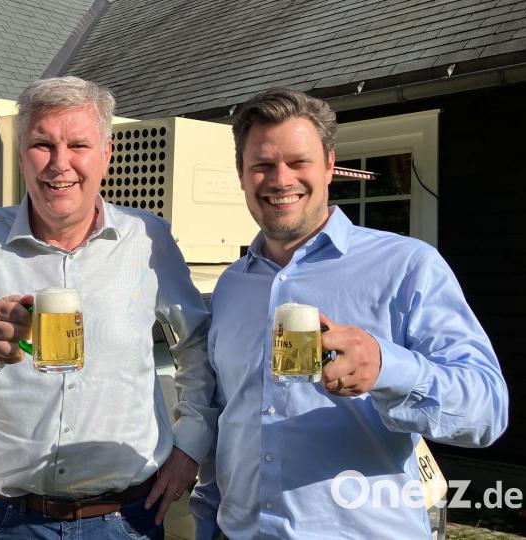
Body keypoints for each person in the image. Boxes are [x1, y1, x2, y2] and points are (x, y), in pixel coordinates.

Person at [0, 76, 215, 539]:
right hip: (11, 521)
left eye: (78, 145)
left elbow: (198, 346)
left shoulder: (147, 239)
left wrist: (190, 447)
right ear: (21, 152)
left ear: (106, 154)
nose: (60, 164)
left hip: (127, 520)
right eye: (43, 144)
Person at [204, 87, 508, 539]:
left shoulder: (407, 266)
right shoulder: (232, 286)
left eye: (298, 162)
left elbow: (488, 411)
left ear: (329, 165)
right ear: (242, 175)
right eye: (263, 165)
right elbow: (229, 417)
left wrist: (388, 368)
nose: (280, 180)